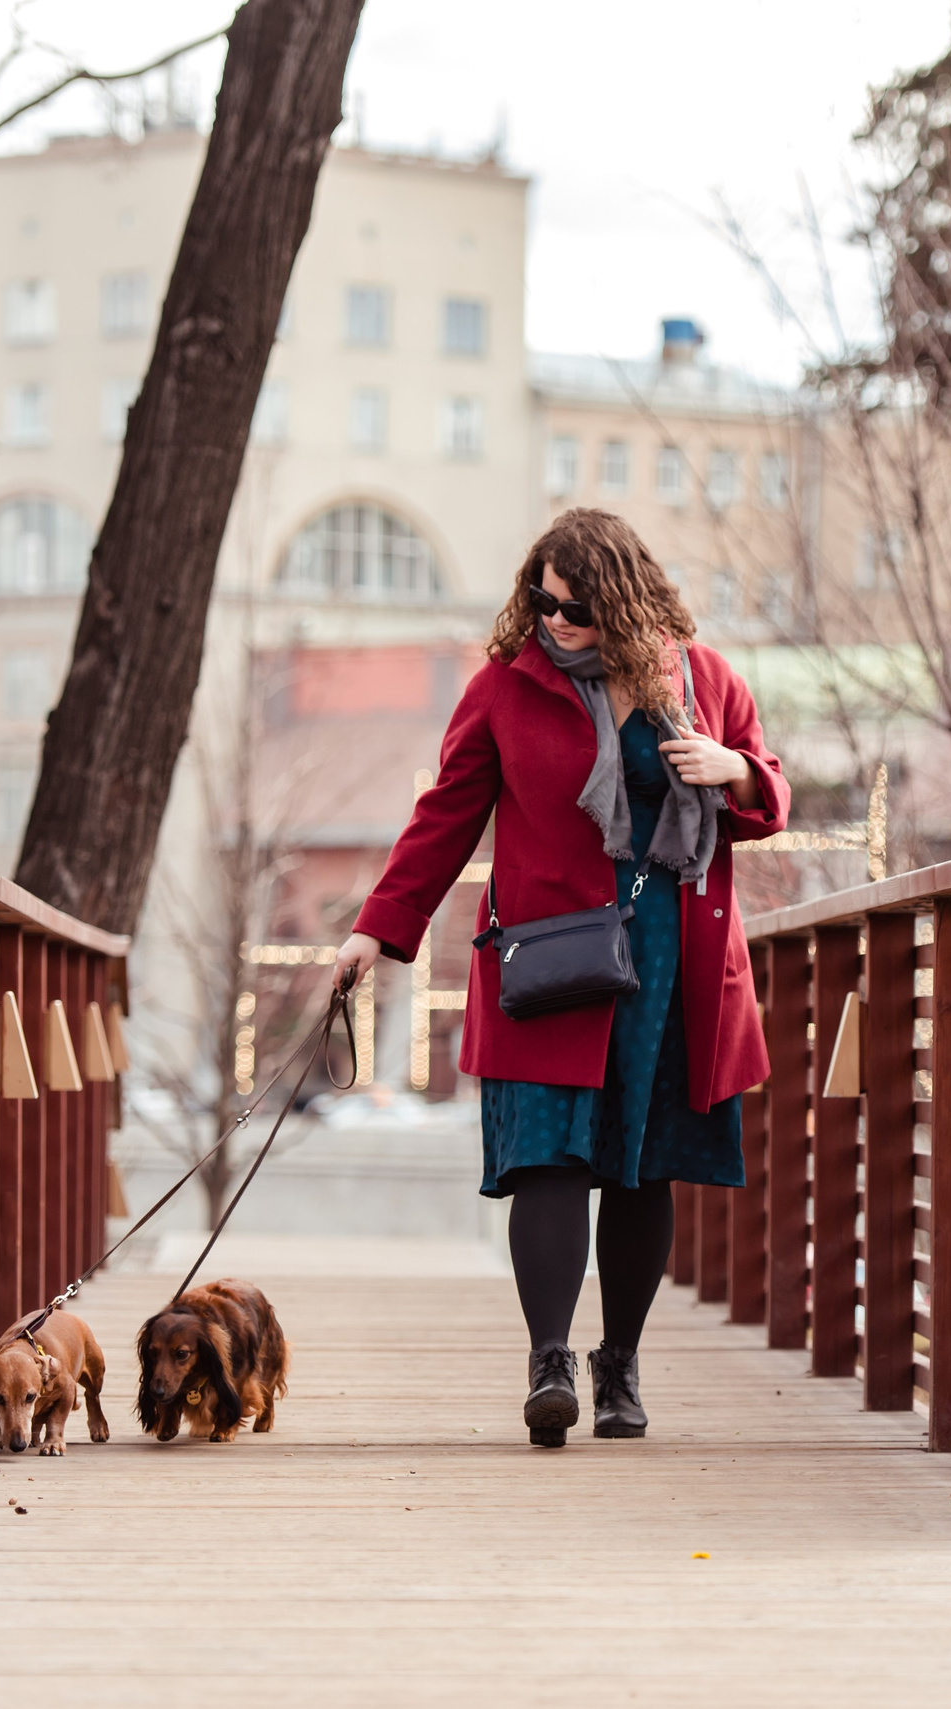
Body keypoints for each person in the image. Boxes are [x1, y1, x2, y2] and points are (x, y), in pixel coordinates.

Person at [334, 508, 787, 1447]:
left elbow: (768, 798)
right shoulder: (507, 688)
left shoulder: (703, 682)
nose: (553, 617)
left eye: (573, 604)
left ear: (620, 600)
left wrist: (734, 768)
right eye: (540, 599)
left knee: (638, 1165)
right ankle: (550, 1359)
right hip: (546, 955)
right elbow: (445, 816)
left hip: (668, 954)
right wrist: (377, 930)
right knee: (548, 1157)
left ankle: (618, 1360)